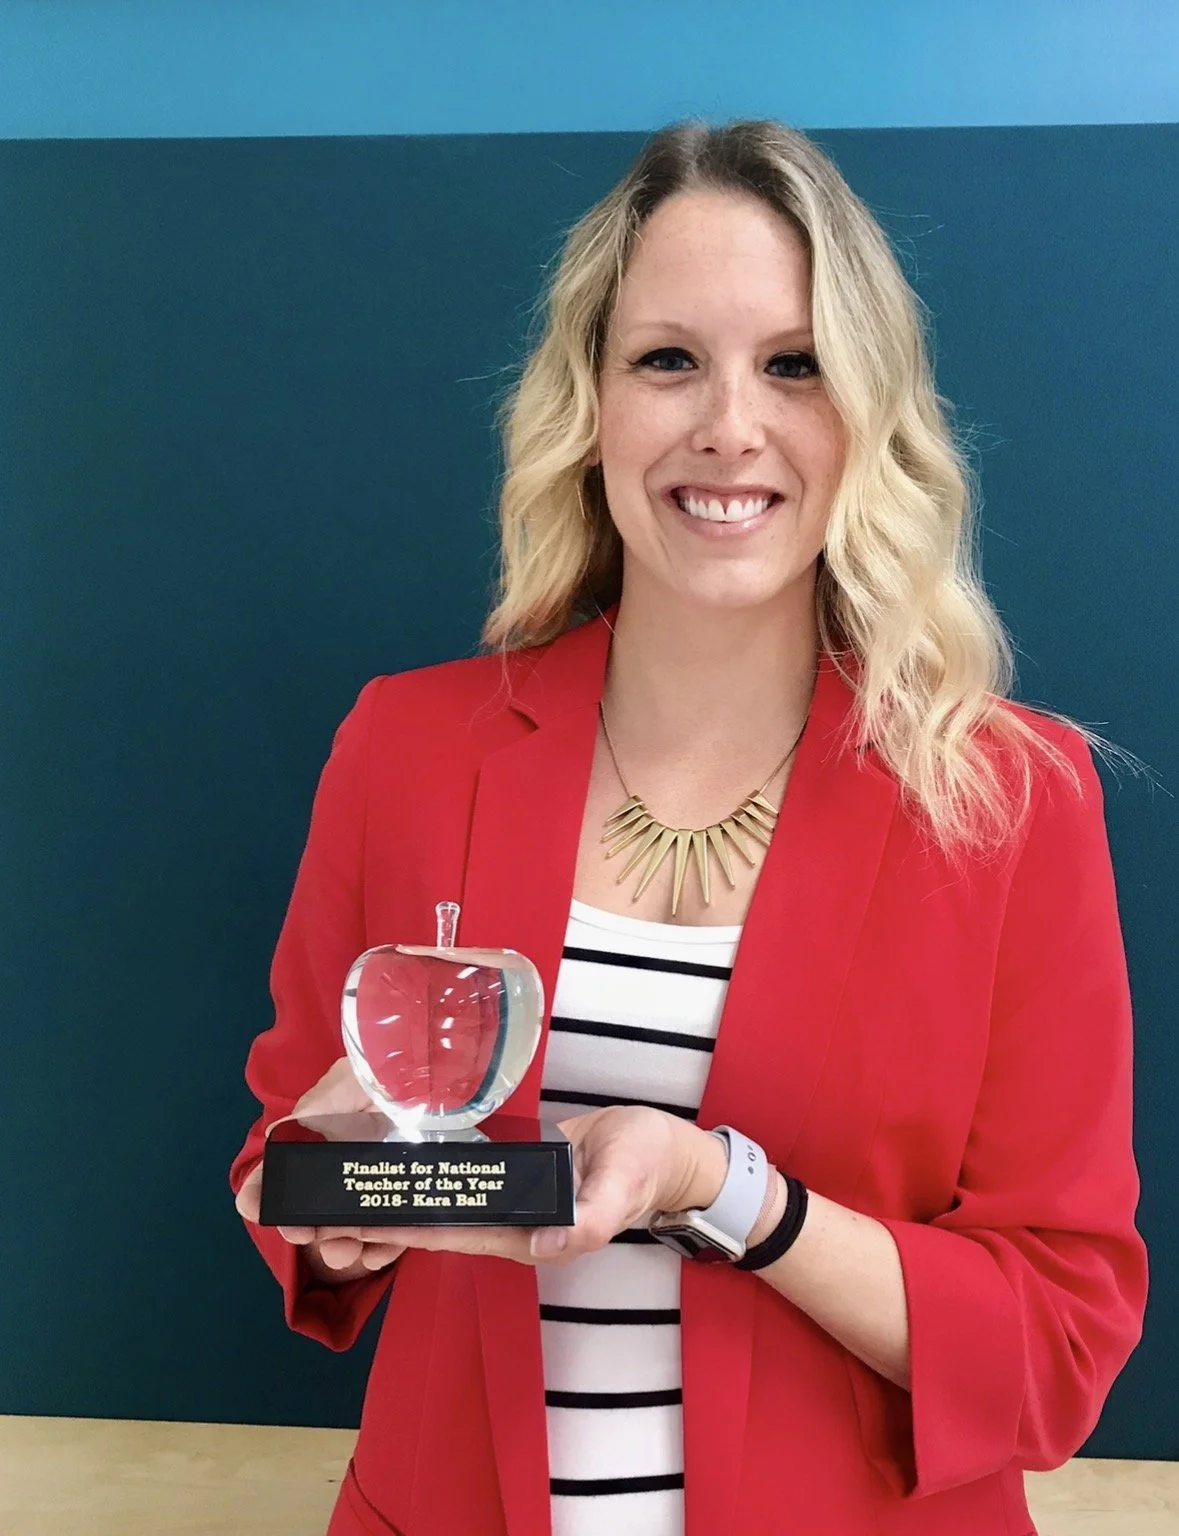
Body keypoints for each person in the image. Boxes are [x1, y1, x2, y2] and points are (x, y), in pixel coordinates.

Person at [231, 119, 1148, 1536]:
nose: (730, 424)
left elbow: (1055, 1340)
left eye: (793, 364)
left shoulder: (1008, 799)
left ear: (866, 412)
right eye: (668, 360)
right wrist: (316, 1198)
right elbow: (289, 1140)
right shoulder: (403, 746)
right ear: (587, 401)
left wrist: (727, 1193)